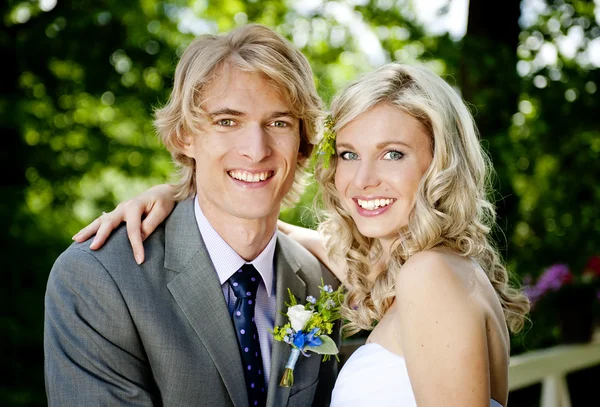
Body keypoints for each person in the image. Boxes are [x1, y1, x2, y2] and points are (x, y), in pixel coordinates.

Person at [75, 62, 531, 406]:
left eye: (393, 154)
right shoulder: (428, 271)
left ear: (440, 162)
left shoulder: (429, 276)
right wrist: (179, 195)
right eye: (349, 154)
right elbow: (256, 232)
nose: (364, 178)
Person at [44, 24, 341, 407]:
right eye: (227, 121)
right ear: (185, 135)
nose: (255, 149)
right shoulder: (98, 278)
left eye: (278, 123)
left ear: (303, 141)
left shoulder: (320, 279)